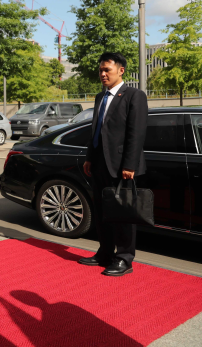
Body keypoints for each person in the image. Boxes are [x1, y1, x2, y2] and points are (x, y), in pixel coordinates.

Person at [81, 52, 147, 276]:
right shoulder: (100, 97)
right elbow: (95, 130)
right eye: (100, 70)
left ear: (121, 70)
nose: (102, 74)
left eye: (106, 70)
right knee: (102, 212)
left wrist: (130, 165)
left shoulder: (134, 96)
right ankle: (105, 253)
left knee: (123, 214)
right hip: (100, 164)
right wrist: (90, 157)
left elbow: (136, 133)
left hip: (122, 167)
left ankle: (124, 259)